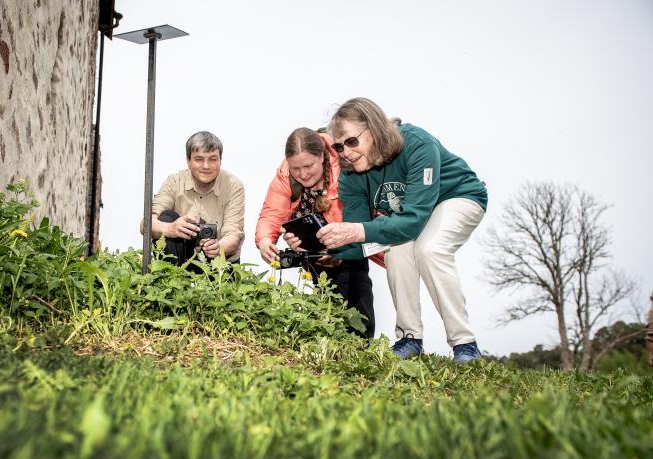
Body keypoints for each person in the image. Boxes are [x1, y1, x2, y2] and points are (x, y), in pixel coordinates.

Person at [317, 98, 488, 363]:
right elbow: (362, 232)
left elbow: (412, 220)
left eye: (351, 141)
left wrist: (356, 232)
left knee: (430, 249)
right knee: (395, 253)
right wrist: (332, 251)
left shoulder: (418, 144)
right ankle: (410, 338)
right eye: (338, 146)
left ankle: (464, 343)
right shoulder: (350, 175)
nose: (346, 152)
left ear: (374, 129)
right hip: (412, 214)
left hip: (458, 197)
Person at [256, 127, 383, 339]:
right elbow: (272, 212)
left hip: (349, 240)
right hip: (315, 249)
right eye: (296, 168)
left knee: (358, 297)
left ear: (322, 156)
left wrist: (341, 249)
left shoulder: (344, 165)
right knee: (327, 305)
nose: (303, 174)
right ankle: (330, 348)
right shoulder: (285, 174)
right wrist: (265, 240)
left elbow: (364, 212)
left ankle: (363, 350)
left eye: (308, 166)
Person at [142, 131, 245, 266]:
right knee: (166, 217)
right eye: (199, 159)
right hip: (182, 258)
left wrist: (217, 247)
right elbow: (145, 224)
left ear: (221, 160)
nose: (206, 166)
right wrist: (171, 228)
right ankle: (173, 279)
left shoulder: (233, 185)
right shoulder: (174, 181)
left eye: (213, 159)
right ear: (188, 160)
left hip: (219, 264)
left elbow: (233, 235)